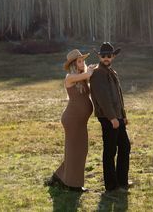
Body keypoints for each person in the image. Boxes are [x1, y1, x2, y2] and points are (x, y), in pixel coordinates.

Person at [47, 49, 96, 192]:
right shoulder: (70, 77)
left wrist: (96, 69)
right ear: (73, 64)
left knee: (80, 150)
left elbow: (89, 76)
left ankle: (59, 176)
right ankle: (73, 184)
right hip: (72, 120)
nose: (83, 63)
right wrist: (91, 70)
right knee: (76, 151)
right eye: (80, 61)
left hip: (80, 121)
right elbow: (88, 74)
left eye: (83, 61)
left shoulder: (82, 77)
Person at [90, 42, 131, 194]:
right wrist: (112, 117)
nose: (106, 58)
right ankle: (111, 186)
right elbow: (103, 98)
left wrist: (123, 116)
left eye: (109, 55)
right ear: (99, 57)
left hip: (117, 116)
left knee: (125, 146)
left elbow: (118, 96)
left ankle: (122, 181)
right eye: (103, 56)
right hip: (108, 117)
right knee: (110, 150)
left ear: (113, 57)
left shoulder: (111, 71)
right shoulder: (98, 73)